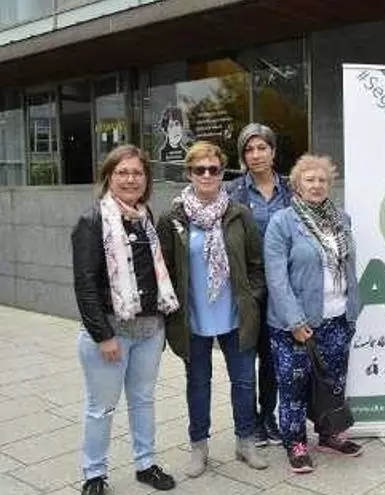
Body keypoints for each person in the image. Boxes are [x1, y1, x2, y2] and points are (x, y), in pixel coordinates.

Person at [156, 141, 267, 478]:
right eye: (199, 169)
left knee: (244, 382)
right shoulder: (172, 218)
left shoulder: (238, 213)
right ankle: (199, 446)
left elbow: (255, 263)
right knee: (198, 383)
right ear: (189, 173)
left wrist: (252, 297)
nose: (206, 175)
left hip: (235, 314)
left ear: (222, 173)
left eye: (213, 169)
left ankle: (245, 441)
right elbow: (165, 270)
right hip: (193, 317)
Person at [72, 145, 178, 495]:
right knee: (101, 408)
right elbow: (85, 284)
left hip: (149, 331)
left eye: (137, 173)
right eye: (122, 172)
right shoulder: (92, 221)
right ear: (108, 177)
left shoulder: (147, 219)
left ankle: (145, 464)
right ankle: (94, 474)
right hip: (110, 332)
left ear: (146, 179)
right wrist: (103, 336)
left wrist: (161, 325)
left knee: (143, 400)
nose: (131, 179)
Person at [264, 153, 362, 474]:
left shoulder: (341, 220)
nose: (316, 185)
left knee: (333, 382)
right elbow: (276, 277)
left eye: (322, 180)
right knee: (293, 384)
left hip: (338, 317)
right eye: (309, 179)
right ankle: (295, 442)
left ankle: (329, 434)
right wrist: (294, 320)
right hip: (296, 323)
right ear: (297, 184)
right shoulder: (282, 222)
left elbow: (348, 266)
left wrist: (353, 310)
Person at [224, 123, 292, 447]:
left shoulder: (292, 189)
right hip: (246, 287)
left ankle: (268, 418)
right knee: (244, 357)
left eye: (261, 147)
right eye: (249, 149)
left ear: (273, 152)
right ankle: (248, 422)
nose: (255, 155)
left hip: (283, 287)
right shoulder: (231, 192)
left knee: (272, 357)